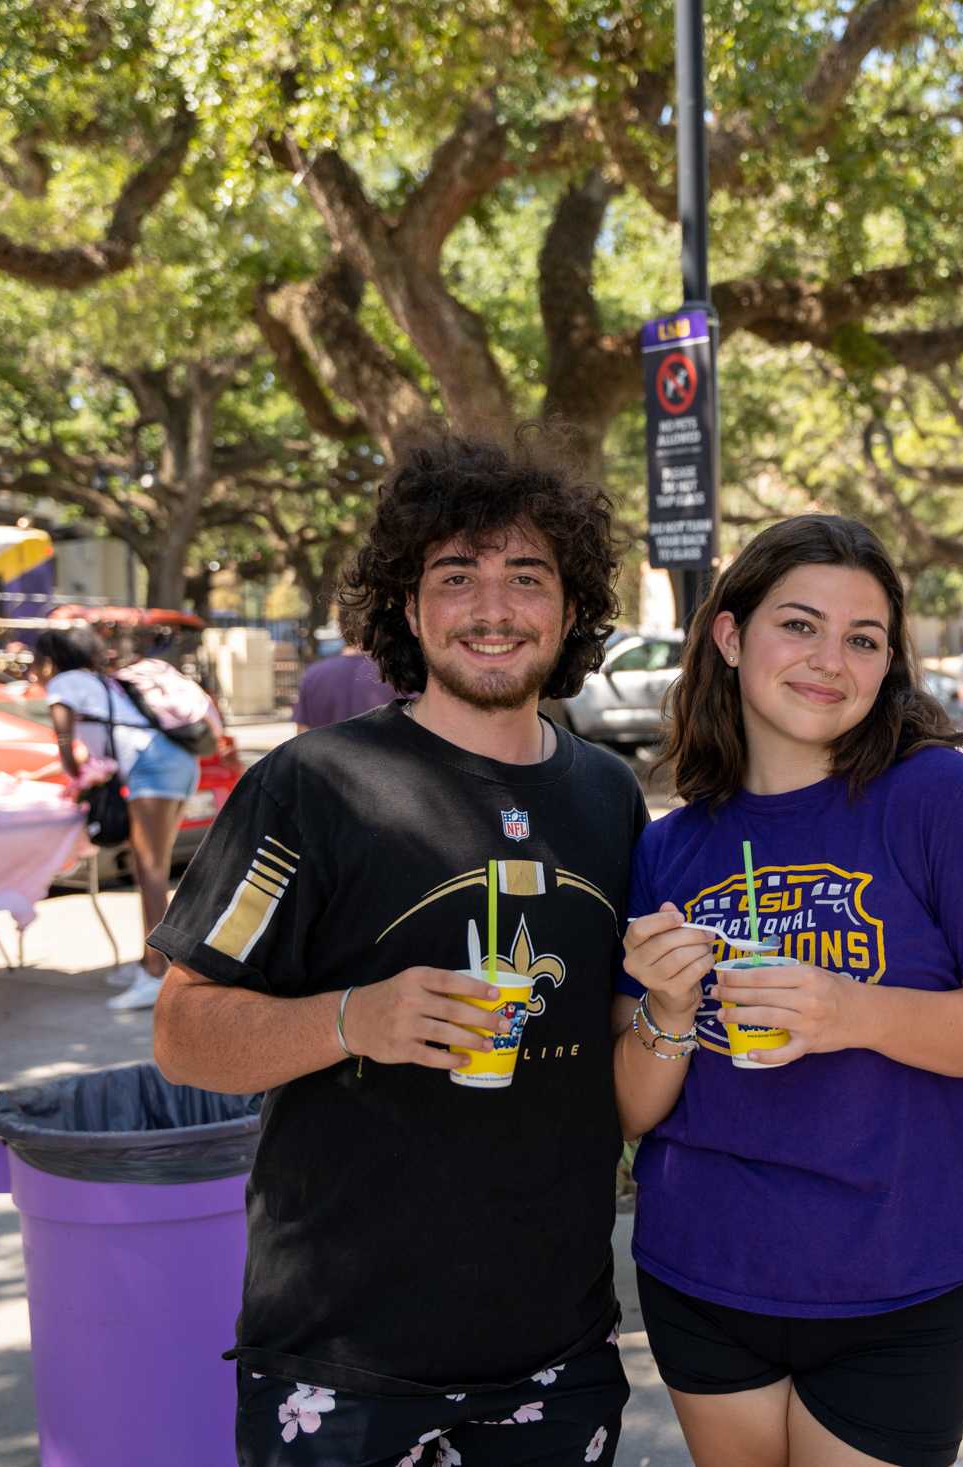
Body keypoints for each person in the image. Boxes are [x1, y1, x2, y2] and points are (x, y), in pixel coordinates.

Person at [148, 432, 644, 1467]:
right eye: (455, 576)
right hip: (340, 1357)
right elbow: (184, 1034)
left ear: (572, 605)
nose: (494, 609)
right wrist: (351, 1019)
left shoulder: (610, 794)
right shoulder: (311, 787)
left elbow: (609, 1028)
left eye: (526, 576)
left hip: (560, 1348)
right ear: (408, 608)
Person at [617, 514, 963, 1467]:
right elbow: (632, 1103)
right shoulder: (669, 845)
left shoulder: (938, 798)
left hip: (897, 1269)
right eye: (800, 625)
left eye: (864, 639)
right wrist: (663, 1013)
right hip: (704, 1267)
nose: (831, 660)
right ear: (731, 638)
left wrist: (847, 1011)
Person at [34, 624, 202, 1012]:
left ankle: (158, 972)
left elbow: (64, 740)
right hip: (177, 761)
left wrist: (74, 777)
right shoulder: (99, 680)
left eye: (38, 661)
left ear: (53, 659)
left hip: (151, 765)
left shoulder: (65, 684)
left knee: (151, 873)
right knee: (155, 868)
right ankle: (153, 959)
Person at [293, 640, 397, 730]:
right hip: (379, 751)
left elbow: (302, 735)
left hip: (324, 752)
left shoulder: (313, 674)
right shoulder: (393, 675)